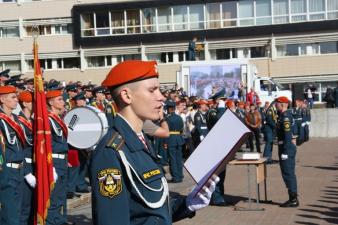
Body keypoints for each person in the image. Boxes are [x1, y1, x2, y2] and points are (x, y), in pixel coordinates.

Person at [90, 60, 219, 225]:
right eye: (152, 90)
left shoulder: (140, 139)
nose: (161, 97)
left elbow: (150, 212)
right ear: (126, 96)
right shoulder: (111, 152)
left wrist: (187, 204)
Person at [45, 89, 75, 225]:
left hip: (62, 160)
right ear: (51, 103)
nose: (63, 102)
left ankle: (61, 220)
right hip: (54, 162)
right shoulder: (48, 120)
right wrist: (50, 166)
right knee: (54, 196)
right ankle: (53, 221)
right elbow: (47, 144)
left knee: (62, 195)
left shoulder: (58, 119)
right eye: (60, 100)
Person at [0, 86, 27, 225]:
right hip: (7, 171)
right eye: (13, 97)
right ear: (2, 99)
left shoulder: (16, 119)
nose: (17, 100)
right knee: (9, 215)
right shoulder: (1, 120)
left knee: (19, 211)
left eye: (16, 97)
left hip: (19, 170)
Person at [275, 96, 299, 208]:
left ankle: (293, 199)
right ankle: (292, 197)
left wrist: (285, 151)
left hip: (286, 148)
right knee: (288, 173)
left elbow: (287, 135)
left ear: (283, 104)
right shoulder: (283, 116)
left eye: (277, 103)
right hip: (286, 147)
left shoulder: (285, 117)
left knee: (288, 174)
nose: (276, 105)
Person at [17, 91, 35, 225]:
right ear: (25, 103)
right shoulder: (19, 122)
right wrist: (27, 172)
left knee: (34, 205)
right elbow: (19, 149)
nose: (35, 105)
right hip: (25, 169)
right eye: (32, 102)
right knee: (24, 206)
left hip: (35, 166)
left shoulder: (34, 121)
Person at [165, 101, 185, 183]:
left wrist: (165, 142)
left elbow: (166, 131)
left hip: (171, 139)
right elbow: (181, 129)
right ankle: (180, 175)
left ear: (169, 109)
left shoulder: (167, 119)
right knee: (179, 158)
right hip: (179, 139)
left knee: (172, 159)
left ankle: (176, 177)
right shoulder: (179, 117)